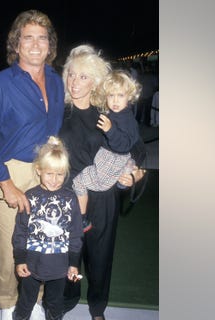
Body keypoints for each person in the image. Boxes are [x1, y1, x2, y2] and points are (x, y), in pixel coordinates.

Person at [0, 9, 65, 320]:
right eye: (28, 38)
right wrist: (5, 183)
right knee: (10, 244)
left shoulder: (56, 81)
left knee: (41, 240)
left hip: (46, 172)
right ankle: (8, 302)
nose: (36, 44)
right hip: (11, 170)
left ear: (51, 44)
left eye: (42, 38)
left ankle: (33, 298)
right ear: (17, 44)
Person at [58, 44, 146, 320]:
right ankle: (66, 300)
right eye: (71, 74)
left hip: (104, 196)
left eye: (83, 76)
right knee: (67, 254)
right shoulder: (56, 112)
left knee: (100, 255)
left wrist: (134, 171)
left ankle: (97, 308)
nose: (75, 82)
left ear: (96, 80)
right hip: (67, 195)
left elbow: (137, 147)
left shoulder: (107, 111)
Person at [12, 136, 83, 320]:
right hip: (31, 263)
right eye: (49, 173)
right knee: (26, 302)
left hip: (60, 266)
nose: (54, 180)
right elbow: (20, 231)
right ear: (39, 170)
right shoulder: (29, 196)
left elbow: (76, 234)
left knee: (55, 303)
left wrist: (74, 263)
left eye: (60, 174)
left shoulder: (70, 198)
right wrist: (20, 259)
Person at [71, 70, 142, 232]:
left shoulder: (127, 119)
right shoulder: (115, 113)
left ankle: (82, 219)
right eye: (111, 96)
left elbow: (124, 145)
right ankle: (120, 177)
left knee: (78, 181)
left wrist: (110, 130)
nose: (115, 100)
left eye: (120, 95)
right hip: (108, 158)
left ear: (130, 96)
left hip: (113, 158)